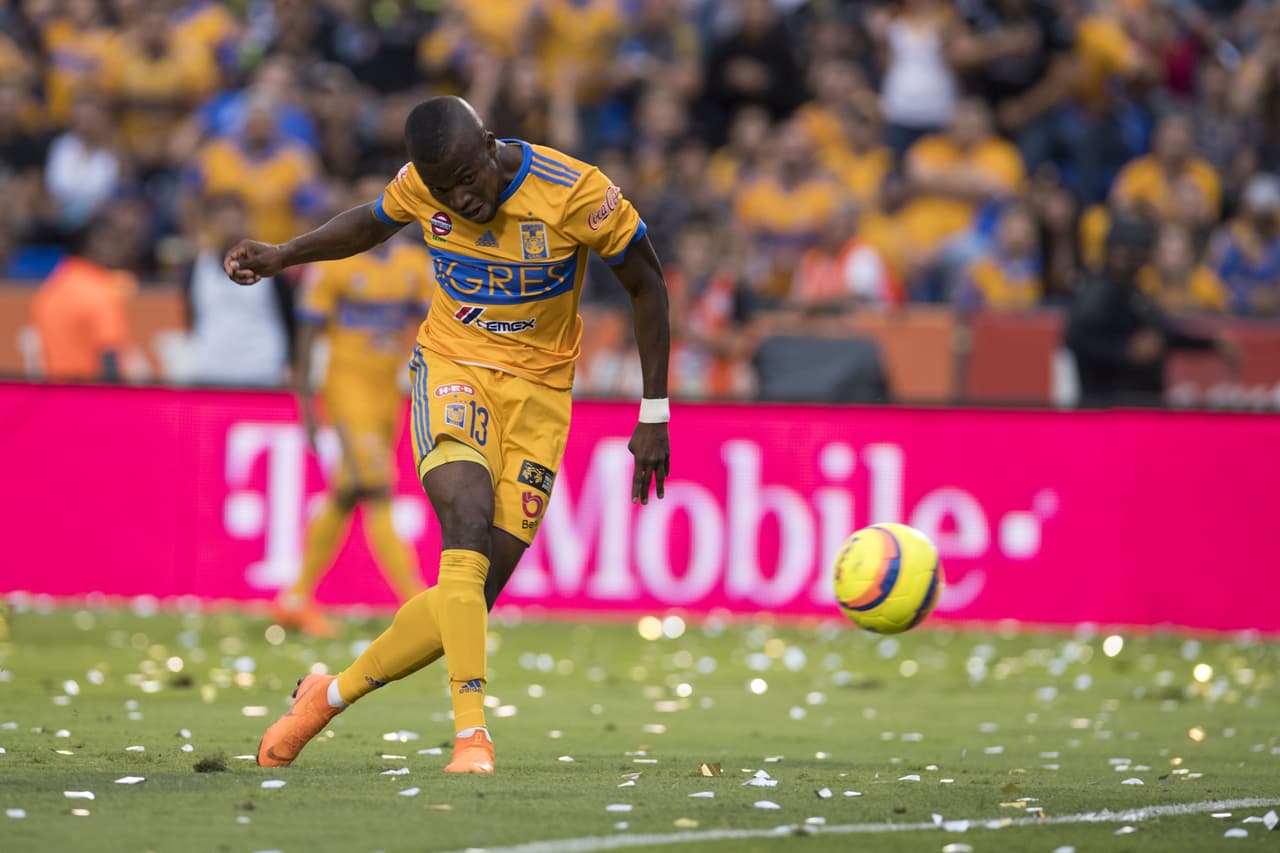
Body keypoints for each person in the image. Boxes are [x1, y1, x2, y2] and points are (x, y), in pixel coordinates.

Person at [224, 96, 671, 775]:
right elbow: (370, 224)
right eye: (443, 190)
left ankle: (325, 697)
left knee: (468, 601)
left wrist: (655, 411)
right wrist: (286, 253)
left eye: (469, 176)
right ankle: (472, 737)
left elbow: (647, 285)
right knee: (463, 520)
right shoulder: (424, 188)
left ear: (489, 146)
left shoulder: (576, 192)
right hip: (452, 369)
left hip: (541, 397)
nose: (462, 197)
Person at [273, 177, 435, 638]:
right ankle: (417, 602)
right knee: (378, 486)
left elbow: (436, 322)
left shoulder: (413, 264)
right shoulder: (335, 265)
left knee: (348, 492)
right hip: (345, 386)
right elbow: (305, 335)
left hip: (388, 392)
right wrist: (305, 403)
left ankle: (294, 597)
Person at [1065, 216, 1238, 408]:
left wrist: (1212, 344)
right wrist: (1125, 351)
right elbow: (1076, 340)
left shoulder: (1135, 291)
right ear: (1116, 252)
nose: (1139, 258)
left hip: (1139, 406)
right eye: (1133, 251)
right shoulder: (1096, 294)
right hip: (1107, 406)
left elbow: (1165, 332)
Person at [184, 192, 291, 387]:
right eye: (224, 221)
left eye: (236, 221)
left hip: (262, 372)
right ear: (211, 225)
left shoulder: (271, 267)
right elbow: (192, 316)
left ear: (247, 223)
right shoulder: (196, 268)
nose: (230, 229)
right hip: (210, 371)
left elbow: (287, 315)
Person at [31, 206, 137, 382]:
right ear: (88, 245)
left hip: (54, 398)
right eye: (109, 240)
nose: (117, 248)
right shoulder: (101, 292)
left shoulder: (49, 289)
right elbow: (109, 358)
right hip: (90, 398)